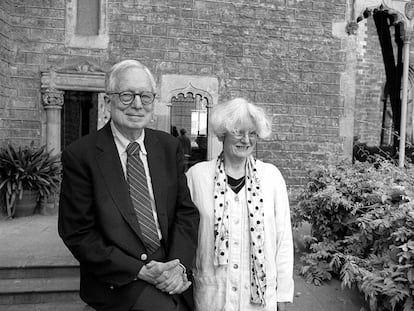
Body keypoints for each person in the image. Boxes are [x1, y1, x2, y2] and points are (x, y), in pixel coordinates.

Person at [58, 59, 200, 311]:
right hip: (118, 277)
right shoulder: (82, 155)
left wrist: (177, 265)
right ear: (108, 100)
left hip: (169, 264)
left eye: (145, 96)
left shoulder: (168, 147)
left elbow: (185, 213)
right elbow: (78, 232)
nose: (137, 104)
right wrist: (139, 270)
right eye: (126, 95)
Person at [186, 98, 294, 311]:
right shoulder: (197, 177)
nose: (246, 140)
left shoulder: (271, 177)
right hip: (212, 297)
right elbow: (185, 234)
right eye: (238, 132)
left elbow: (283, 240)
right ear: (222, 134)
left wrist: (282, 294)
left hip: (259, 301)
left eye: (252, 133)